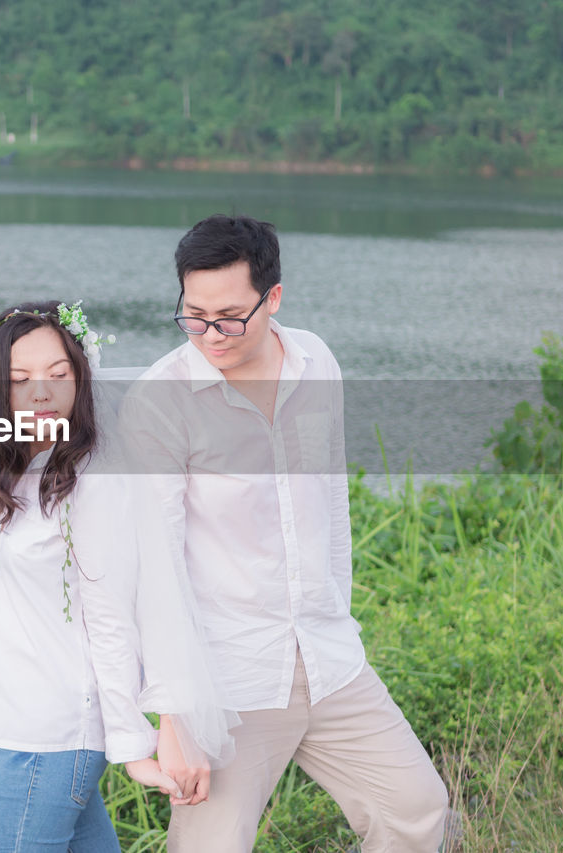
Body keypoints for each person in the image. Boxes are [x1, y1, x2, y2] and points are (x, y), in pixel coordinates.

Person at [121, 216, 449, 852]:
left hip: (328, 659)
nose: (209, 334)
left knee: (418, 810)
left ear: (273, 297)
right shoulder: (160, 399)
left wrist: (336, 614)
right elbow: (153, 566)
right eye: (193, 315)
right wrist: (175, 712)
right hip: (228, 679)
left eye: (230, 316)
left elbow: (331, 503)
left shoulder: (313, 359)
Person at [0, 300, 215, 852]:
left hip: (48, 738)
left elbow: (109, 613)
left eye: (57, 375)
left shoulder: (91, 479)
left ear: (81, 378)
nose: (40, 393)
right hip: (28, 733)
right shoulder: (1, 464)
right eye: (20, 380)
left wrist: (129, 744)